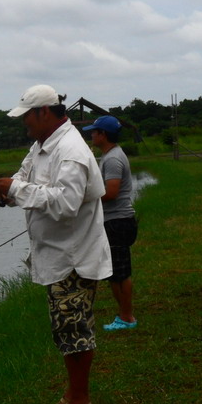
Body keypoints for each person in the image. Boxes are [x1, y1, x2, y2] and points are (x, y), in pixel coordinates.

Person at [0, 84, 112, 404]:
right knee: (65, 329)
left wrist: (16, 189)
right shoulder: (41, 145)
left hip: (73, 257)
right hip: (57, 255)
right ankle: (72, 395)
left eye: (26, 116)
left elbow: (66, 203)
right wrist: (8, 191)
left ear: (44, 112)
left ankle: (81, 403)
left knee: (74, 330)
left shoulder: (69, 151)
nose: (23, 122)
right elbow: (24, 178)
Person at [83, 115, 138, 330]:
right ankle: (124, 316)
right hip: (114, 221)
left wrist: (84, 198)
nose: (92, 135)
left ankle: (127, 318)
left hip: (117, 222)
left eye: (94, 132)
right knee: (114, 273)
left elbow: (111, 192)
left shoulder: (113, 159)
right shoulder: (109, 156)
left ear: (103, 135)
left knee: (120, 273)